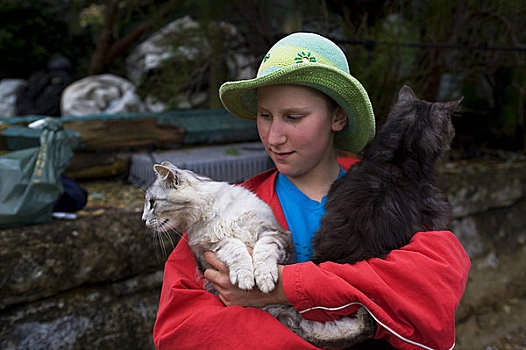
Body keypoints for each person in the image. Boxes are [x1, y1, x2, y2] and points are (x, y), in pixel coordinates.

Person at [153, 32, 470, 349]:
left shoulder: (397, 197)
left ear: (338, 117)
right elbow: (179, 326)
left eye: (293, 117)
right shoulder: (226, 207)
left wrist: (285, 287)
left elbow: (432, 289)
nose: (274, 137)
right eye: (265, 116)